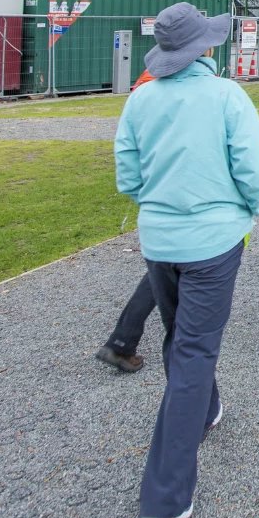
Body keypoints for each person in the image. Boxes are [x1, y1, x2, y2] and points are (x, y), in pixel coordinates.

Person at [115, 4, 259, 518]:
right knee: (195, 351)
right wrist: (252, 207)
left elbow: (128, 173)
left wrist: (158, 203)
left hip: (160, 240)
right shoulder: (227, 96)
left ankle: (204, 408)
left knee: (181, 334)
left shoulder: (140, 101)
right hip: (213, 241)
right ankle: (164, 493)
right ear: (201, 47)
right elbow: (251, 165)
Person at [97, 68, 160, 374]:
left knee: (163, 270)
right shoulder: (160, 92)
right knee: (173, 271)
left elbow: (128, 155)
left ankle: (123, 340)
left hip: (156, 197)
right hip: (178, 198)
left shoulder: (144, 88)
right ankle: (123, 341)